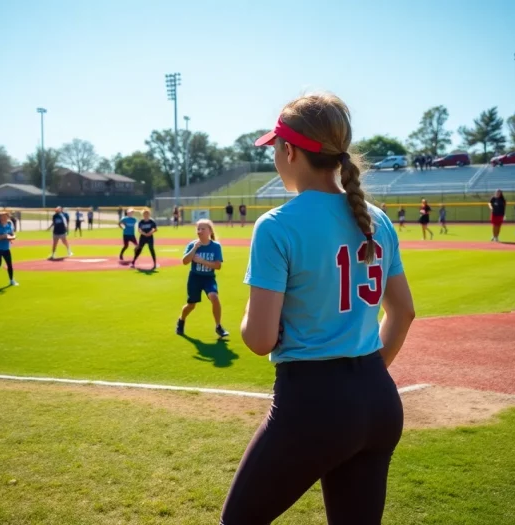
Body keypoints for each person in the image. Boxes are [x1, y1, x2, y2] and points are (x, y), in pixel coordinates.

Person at [220, 93, 415, 524]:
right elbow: (403, 312)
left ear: (289, 151)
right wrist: (366, 375)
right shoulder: (377, 219)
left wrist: (249, 318)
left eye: (274, 147)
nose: (274, 155)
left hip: (313, 403)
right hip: (378, 399)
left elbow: (259, 339)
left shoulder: (276, 225)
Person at [176, 219, 229, 339]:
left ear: (209, 231)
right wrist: (194, 248)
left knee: (214, 297)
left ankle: (218, 326)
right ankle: (181, 320)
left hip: (209, 278)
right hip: (195, 278)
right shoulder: (192, 244)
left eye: (202, 229)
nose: (199, 231)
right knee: (191, 305)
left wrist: (202, 261)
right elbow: (185, 262)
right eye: (198, 229)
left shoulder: (215, 246)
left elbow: (218, 266)